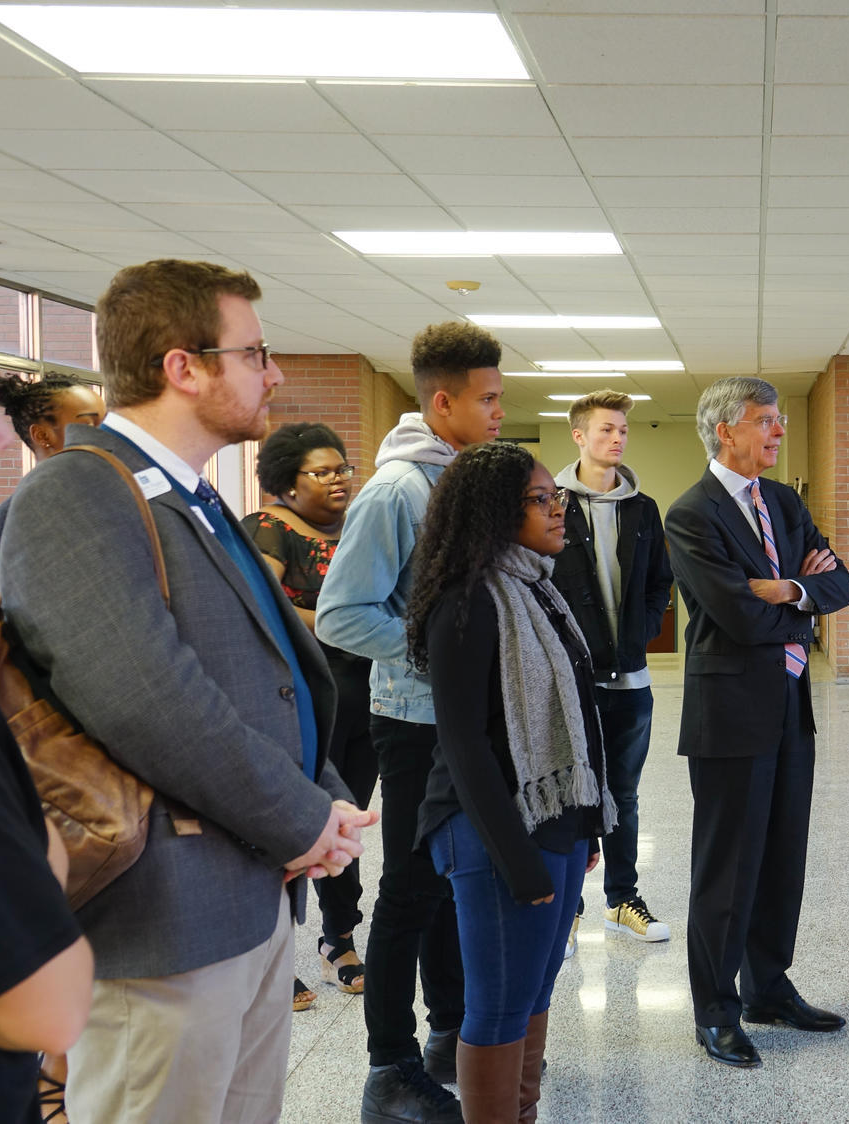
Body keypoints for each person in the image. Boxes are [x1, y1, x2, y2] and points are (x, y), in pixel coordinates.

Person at [0, 258, 374, 1124]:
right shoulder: (77, 492)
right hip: (162, 920)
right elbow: (147, 698)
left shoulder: (192, 495)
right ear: (183, 366)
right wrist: (301, 818)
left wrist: (323, 799)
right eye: (254, 353)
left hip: (246, 895)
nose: (273, 373)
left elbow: (261, 676)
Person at [317, 321, 505, 1124]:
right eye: (488, 399)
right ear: (443, 401)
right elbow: (340, 613)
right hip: (416, 720)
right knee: (409, 892)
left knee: (452, 884)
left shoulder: (458, 479)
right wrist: (438, 650)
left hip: (463, 716)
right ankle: (388, 1065)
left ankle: (448, 1030)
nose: (500, 411)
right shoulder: (399, 490)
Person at [406, 441, 614, 1122]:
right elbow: (464, 745)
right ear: (495, 511)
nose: (558, 510)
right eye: (539, 499)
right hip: (490, 831)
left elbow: (576, 714)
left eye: (556, 498)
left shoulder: (535, 587)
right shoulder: (466, 603)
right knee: (498, 1003)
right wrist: (518, 861)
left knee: (534, 990)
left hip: (552, 818)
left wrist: (585, 825)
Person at [664, 376, 849, 1069]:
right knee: (727, 867)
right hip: (729, 715)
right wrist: (799, 607)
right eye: (766, 421)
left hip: (789, 710)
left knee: (781, 857)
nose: (778, 432)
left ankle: (768, 987)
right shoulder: (691, 514)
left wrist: (791, 588)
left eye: (778, 421)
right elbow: (737, 617)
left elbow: (842, 584)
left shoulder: (782, 500)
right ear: (727, 430)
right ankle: (715, 1009)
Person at [0, 371, 105, 1122]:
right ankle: (56, 1085)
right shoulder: (29, 511)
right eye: (86, 420)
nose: (103, 430)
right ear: (47, 435)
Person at [244, 422, 376, 1013]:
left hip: (367, 697)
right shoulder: (267, 530)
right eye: (321, 471)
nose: (339, 479)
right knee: (293, 824)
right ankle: (277, 958)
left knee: (348, 822)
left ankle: (339, 938)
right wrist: (338, 620)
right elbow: (264, 609)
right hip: (297, 704)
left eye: (343, 467)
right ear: (286, 483)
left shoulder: (362, 530)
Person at [552, 389, 674, 953]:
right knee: (578, 792)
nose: (617, 438)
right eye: (605, 430)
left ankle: (622, 899)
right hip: (572, 680)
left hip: (631, 678)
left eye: (623, 430)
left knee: (623, 793)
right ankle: (568, 908)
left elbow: (659, 583)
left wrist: (641, 631)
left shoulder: (642, 508)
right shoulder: (549, 503)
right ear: (579, 436)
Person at [0, 372, 106, 590]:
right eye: (88, 425)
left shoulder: (109, 498)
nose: (105, 436)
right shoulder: (18, 512)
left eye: (106, 425)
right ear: (42, 436)